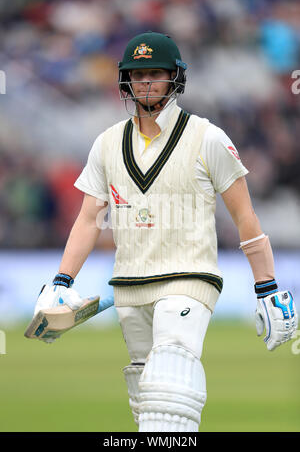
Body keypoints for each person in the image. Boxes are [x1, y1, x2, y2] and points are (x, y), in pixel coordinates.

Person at [33, 31, 298, 432]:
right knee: (147, 401)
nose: (145, 83)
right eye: (137, 74)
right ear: (125, 81)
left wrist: (267, 288)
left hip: (189, 280)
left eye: (155, 73)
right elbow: (89, 220)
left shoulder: (208, 138)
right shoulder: (106, 144)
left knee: (169, 384)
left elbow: (245, 216)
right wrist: (60, 281)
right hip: (129, 287)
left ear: (175, 77)